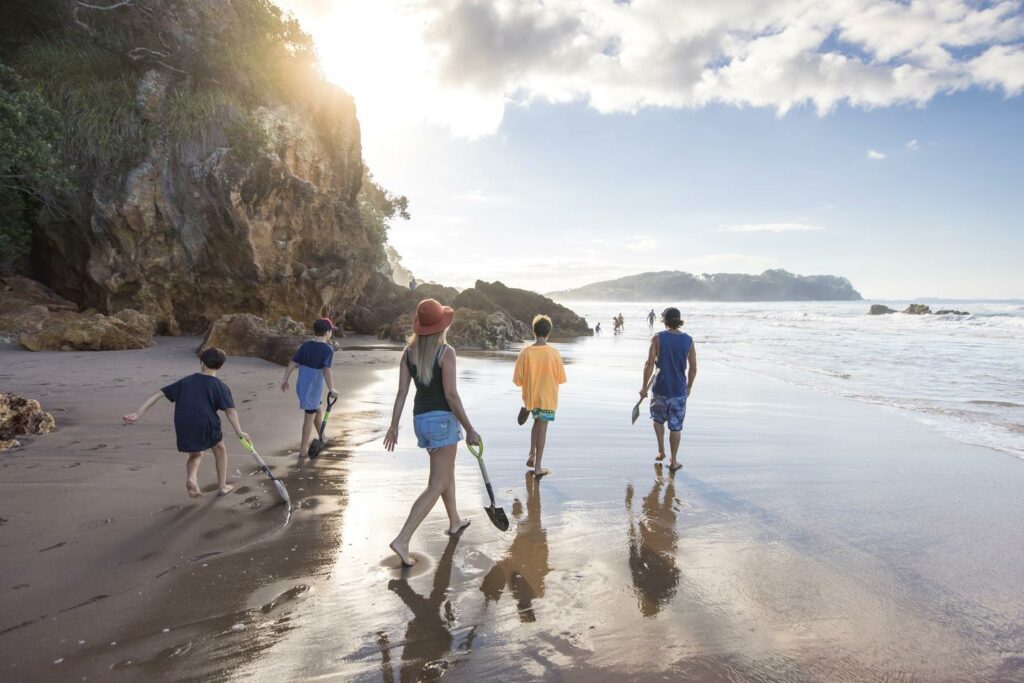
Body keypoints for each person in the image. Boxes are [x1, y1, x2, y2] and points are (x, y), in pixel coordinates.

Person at [384, 299, 480, 567]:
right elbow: (450, 394)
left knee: (444, 473)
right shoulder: (446, 352)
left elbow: (402, 392)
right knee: (436, 484)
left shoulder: (408, 352)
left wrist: (394, 426)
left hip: (420, 420)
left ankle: (454, 521)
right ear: (441, 326)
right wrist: (470, 428)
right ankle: (402, 539)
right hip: (441, 421)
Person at [123, 347, 248, 498]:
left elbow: (159, 393)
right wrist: (239, 431)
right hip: (206, 421)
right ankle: (222, 487)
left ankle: (192, 478)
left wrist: (138, 413)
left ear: (201, 362)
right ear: (221, 366)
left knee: (195, 454)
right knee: (220, 450)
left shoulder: (186, 381)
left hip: (184, 422)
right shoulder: (220, 386)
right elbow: (230, 411)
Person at [639, 307, 697, 471]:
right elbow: (693, 368)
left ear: (664, 320)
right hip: (679, 390)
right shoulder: (689, 340)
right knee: (675, 426)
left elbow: (649, 363)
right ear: (678, 320)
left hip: (660, 389)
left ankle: (661, 450)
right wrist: (689, 386)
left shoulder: (658, 338)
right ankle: (674, 461)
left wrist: (644, 387)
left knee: (658, 420)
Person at [513, 314, 567, 478]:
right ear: (548, 332)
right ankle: (538, 466)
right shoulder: (554, 353)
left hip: (531, 397)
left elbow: (518, 380)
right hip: (548, 397)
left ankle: (531, 453)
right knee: (542, 428)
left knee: (536, 424)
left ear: (533, 332)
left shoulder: (525, 352)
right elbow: (561, 378)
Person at [281, 318, 339, 456]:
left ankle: (323, 436)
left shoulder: (306, 345)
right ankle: (303, 450)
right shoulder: (328, 349)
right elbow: (326, 370)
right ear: (327, 333)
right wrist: (332, 388)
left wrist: (285, 379)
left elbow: (293, 362)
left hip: (302, 385)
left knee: (317, 412)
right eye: (331, 331)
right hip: (313, 388)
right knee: (309, 417)